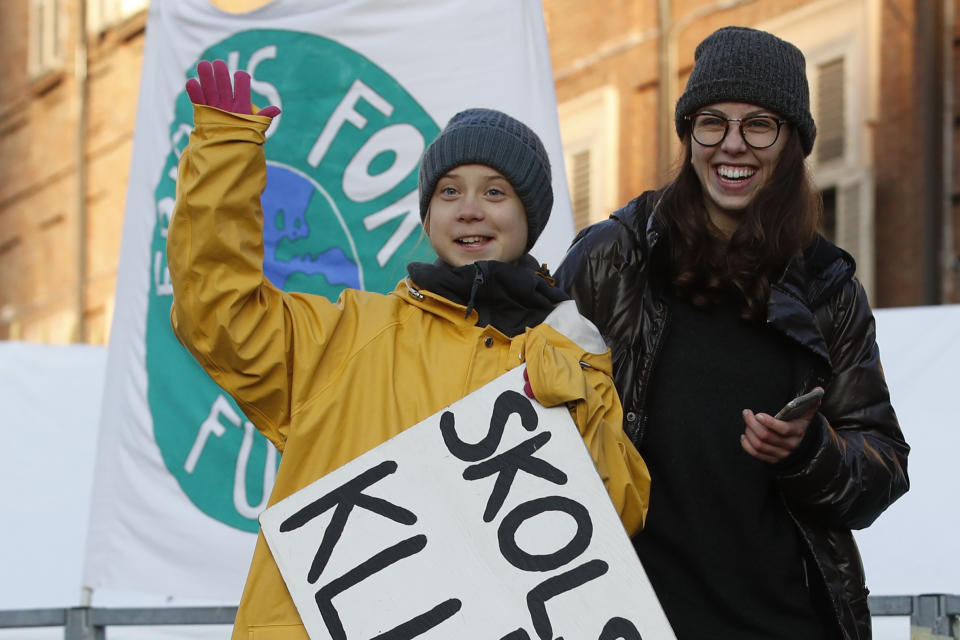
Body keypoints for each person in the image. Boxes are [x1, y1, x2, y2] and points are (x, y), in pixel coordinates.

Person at [168, 59, 651, 639]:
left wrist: (572, 392)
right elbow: (218, 312)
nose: (469, 208)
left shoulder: (570, 351)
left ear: (531, 216)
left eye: (494, 192)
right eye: (450, 192)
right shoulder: (347, 336)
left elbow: (615, 515)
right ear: (428, 216)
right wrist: (223, 155)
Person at [555, 26, 910, 640]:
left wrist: (810, 452)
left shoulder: (831, 288)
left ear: (793, 141)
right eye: (711, 122)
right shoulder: (614, 256)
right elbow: (526, 404)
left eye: (759, 125)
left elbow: (882, 470)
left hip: (786, 624)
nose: (732, 145)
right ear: (689, 135)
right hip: (633, 621)